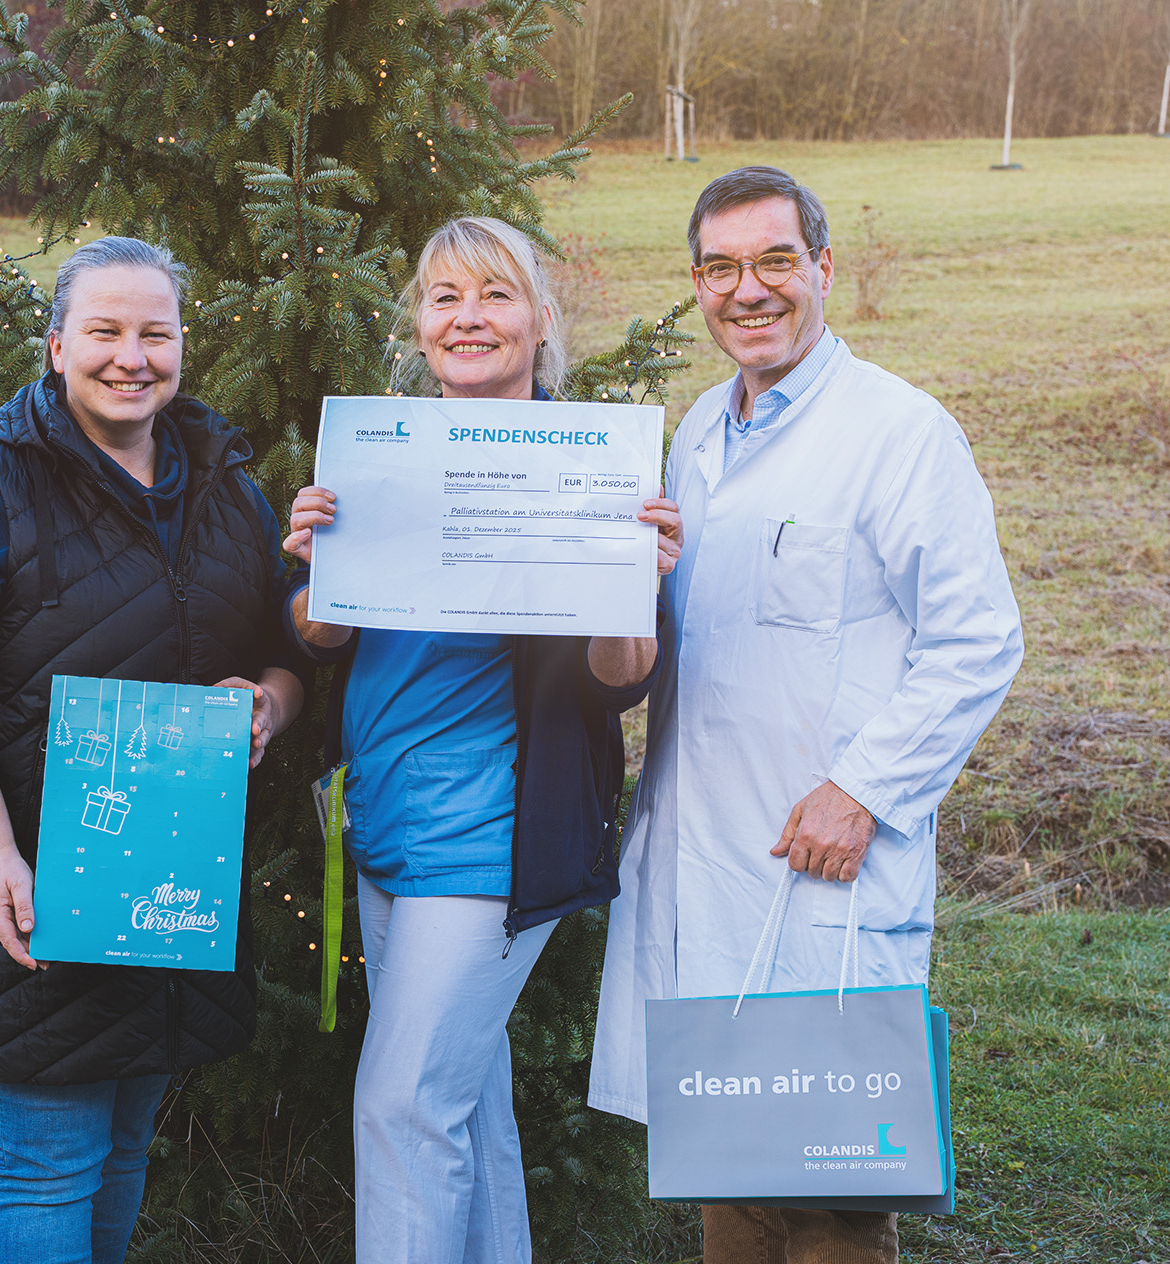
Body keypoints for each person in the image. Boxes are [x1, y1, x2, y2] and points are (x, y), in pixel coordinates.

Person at [588, 167, 1025, 1264]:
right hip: (705, 858)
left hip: (819, 858)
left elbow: (976, 639)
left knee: (833, 1205)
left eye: (774, 260)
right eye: (720, 268)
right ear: (696, 284)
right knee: (731, 1189)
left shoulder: (897, 432)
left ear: (822, 269)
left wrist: (863, 791)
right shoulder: (694, 431)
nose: (748, 290)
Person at [0, 237, 308, 1264]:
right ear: (56, 345)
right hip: (37, 878)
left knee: (122, 1148)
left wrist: (269, 703)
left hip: (170, 881)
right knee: (46, 1158)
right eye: (105, 332)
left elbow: (283, 652)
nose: (131, 356)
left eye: (153, 333)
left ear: (181, 347)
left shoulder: (225, 490)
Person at [282, 216, 682, 1264]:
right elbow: (320, 638)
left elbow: (620, 682)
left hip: (491, 835)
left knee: (403, 1104)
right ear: (418, 325)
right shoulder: (381, 456)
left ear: (538, 319)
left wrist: (630, 583)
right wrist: (318, 563)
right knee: (465, 1107)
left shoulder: (588, 465)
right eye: (444, 297)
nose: (468, 318)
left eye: (494, 295)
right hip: (380, 826)